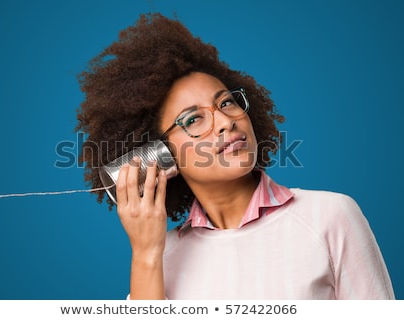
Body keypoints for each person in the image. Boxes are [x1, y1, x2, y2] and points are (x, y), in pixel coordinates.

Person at [76, 13, 395, 299]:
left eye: (227, 102)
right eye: (193, 119)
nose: (226, 121)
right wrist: (146, 253)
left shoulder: (329, 217)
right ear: (159, 153)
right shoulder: (163, 256)